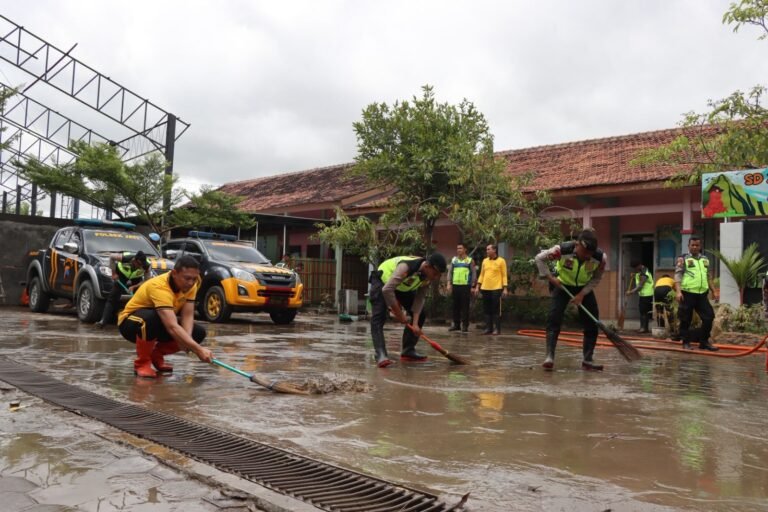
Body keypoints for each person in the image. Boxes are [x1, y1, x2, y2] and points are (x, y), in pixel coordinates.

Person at [118, 255, 213, 378]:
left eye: (194, 279)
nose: (191, 283)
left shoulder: (192, 285)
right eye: (187, 278)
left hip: (160, 323)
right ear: (174, 273)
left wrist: (188, 340)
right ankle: (142, 363)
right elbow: (171, 326)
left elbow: (188, 314)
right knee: (153, 318)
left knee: (198, 333)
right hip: (131, 324)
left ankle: (156, 354)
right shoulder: (159, 286)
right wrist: (198, 349)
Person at [534, 229, 606, 371]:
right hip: (562, 286)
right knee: (554, 318)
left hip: (583, 288)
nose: (587, 256)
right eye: (585, 252)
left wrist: (582, 294)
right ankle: (549, 357)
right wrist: (551, 279)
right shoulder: (561, 250)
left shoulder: (600, 258)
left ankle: (588, 360)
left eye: (590, 254)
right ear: (577, 245)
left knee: (592, 322)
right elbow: (539, 259)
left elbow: (596, 278)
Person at [369, 253, 447, 368]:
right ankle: (380, 354)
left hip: (402, 287)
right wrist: (399, 314)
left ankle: (408, 350)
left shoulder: (427, 277)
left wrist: (415, 324)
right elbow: (387, 290)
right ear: (427, 266)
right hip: (383, 282)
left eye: (438, 275)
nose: (435, 277)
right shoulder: (406, 267)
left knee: (421, 315)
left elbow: (419, 299)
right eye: (435, 274)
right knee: (379, 316)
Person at [674, 236, 718, 351]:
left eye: (697, 245)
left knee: (709, 317)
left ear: (700, 246)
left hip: (702, 294)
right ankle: (685, 342)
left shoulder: (704, 259)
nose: (694, 247)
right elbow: (678, 275)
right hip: (687, 293)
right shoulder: (683, 259)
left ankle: (704, 342)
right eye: (692, 245)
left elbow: (708, 276)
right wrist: (678, 292)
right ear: (688, 246)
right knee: (685, 319)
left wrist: (714, 290)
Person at [96, 251, 150, 327]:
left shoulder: (147, 265)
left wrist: (134, 287)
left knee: (138, 299)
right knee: (113, 297)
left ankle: (136, 322)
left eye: (142, 265)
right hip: (122, 274)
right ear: (134, 260)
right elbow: (111, 257)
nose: (140, 266)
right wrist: (114, 273)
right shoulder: (125, 258)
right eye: (139, 264)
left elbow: (146, 281)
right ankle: (103, 321)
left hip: (136, 278)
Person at [472, 244, 508, 335]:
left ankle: (497, 329)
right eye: (486, 249)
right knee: (486, 309)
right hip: (485, 288)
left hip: (496, 288)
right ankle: (488, 328)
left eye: (488, 249)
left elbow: (504, 275)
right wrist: (477, 286)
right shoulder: (485, 261)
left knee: (495, 309)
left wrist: (505, 288)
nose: (487, 251)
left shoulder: (501, 261)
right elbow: (482, 275)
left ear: (494, 250)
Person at [447, 243, 477, 333]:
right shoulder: (454, 260)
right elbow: (450, 272)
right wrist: (449, 283)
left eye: (460, 248)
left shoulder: (469, 260)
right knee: (455, 306)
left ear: (465, 249)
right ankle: (456, 325)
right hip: (455, 285)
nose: (458, 250)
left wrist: (473, 286)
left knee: (465, 306)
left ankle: (465, 325)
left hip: (465, 286)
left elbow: (474, 273)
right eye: (457, 248)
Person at [626, 260, 653, 333]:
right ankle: (644, 328)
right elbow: (639, 276)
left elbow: (640, 286)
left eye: (635, 267)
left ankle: (643, 328)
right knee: (643, 312)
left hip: (646, 295)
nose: (635, 269)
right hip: (643, 295)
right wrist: (634, 275)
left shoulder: (644, 273)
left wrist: (631, 292)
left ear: (639, 265)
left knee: (643, 312)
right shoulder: (642, 270)